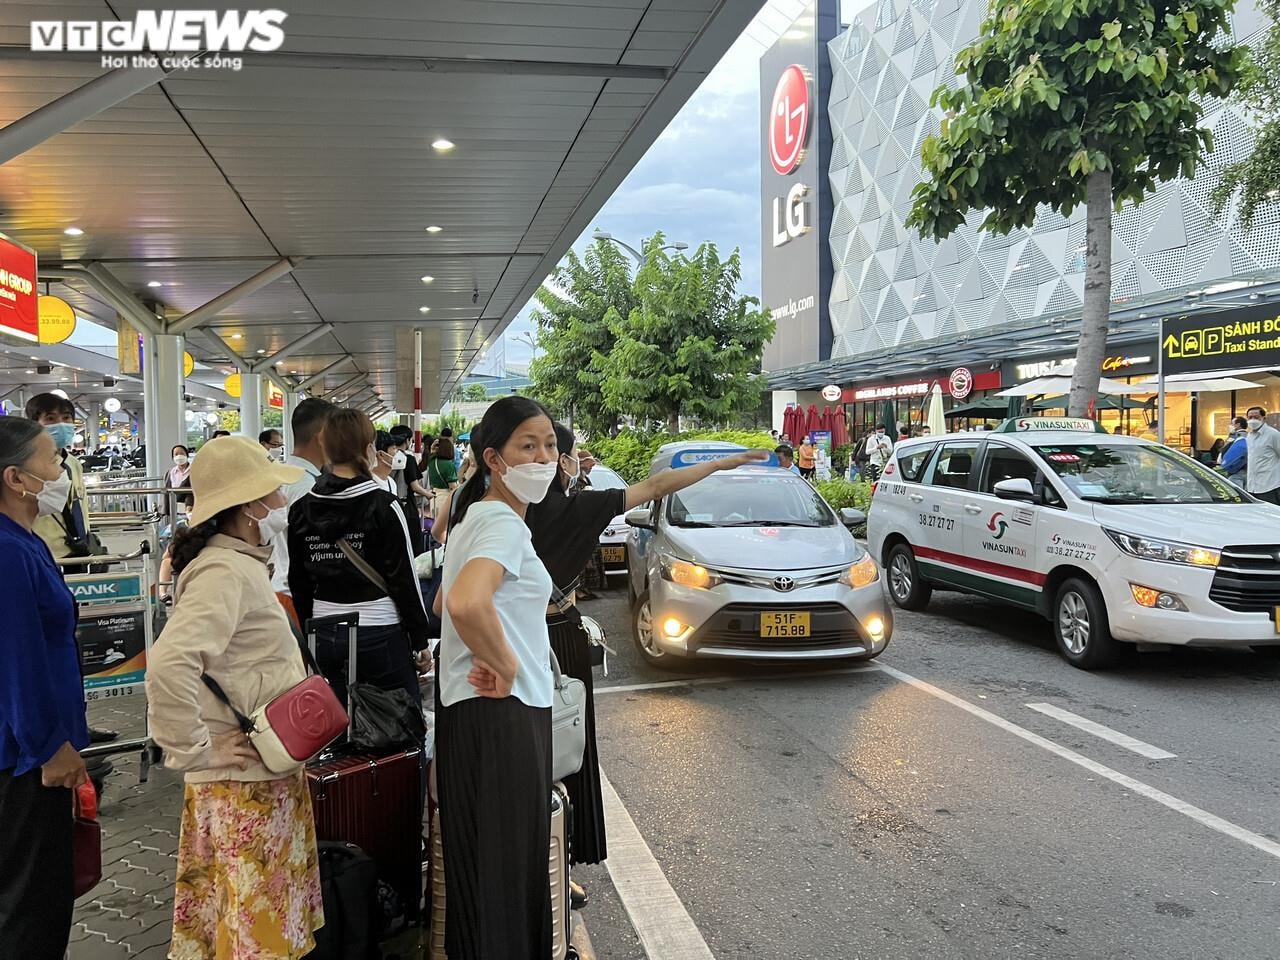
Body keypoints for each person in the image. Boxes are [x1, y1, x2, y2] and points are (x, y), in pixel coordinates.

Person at [516, 424, 768, 911]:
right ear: (564, 464)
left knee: (520, 759)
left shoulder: (499, 507)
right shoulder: (581, 507)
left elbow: (443, 535)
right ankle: (555, 871)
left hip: (510, 640)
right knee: (565, 757)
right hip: (558, 640)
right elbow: (655, 488)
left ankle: (521, 868)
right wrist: (717, 465)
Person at [145, 436, 323, 959]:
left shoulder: (239, 563)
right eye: (272, 492)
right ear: (248, 506)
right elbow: (170, 664)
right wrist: (195, 748)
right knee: (256, 925)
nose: (281, 504)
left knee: (248, 917)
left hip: (260, 774)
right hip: (242, 783)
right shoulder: (224, 571)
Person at [435, 397, 560, 958]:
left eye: (550, 444)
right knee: (508, 875)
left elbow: (441, 596)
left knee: (482, 875)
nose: (544, 457)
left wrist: (490, 648)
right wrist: (506, 666)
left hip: (472, 717)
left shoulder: (473, 518)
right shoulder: (501, 522)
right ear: (494, 458)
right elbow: (463, 601)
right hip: (502, 718)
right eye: (527, 446)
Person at [0, 417, 90, 960]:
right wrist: (50, 748)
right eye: (51, 462)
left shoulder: (24, 541)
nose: (61, 473)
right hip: (26, 763)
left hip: (33, 752)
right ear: (16, 478)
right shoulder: (7, 552)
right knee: (31, 907)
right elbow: (17, 661)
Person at [288, 409, 429, 720]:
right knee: (400, 727)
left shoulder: (300, 510)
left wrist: (312, 635)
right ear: (368, 449)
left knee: (338, 728)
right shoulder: (385, 508)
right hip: (379, 633)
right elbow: (404, 579)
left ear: (325, 449)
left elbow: (298, 580)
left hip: (324, 633)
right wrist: (420, 642)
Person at [26, 394, 117, 746]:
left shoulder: (73, 464)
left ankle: (76, 722)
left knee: (71, 647)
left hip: (74, 563)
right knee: (43, 651)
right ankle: (51, 734)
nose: (61, 425)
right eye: (51, 418)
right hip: (43, 563)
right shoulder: (25, 466)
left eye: (66, 417)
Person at [269, 397, 333, 628]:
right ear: (322, 436)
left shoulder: (283, 475)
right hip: (299, 599)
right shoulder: (308, 486)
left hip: (282, 590)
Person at [1245, 406, 1280, 503]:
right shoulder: (1249, 436)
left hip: (1270, 485)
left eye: (1256, 417)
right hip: (1252, 486)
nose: (1252, 420)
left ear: (1264, 418)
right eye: (1250, 417)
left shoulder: (1273, 434)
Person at [427, 436, 459, 514]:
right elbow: (453, 487)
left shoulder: (432, 460)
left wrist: (432, 448)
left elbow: (431, 453)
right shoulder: (448, 464)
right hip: (445, 498)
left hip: (434, 497)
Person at [165, 444, 194, 518]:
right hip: (174, 509)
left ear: (186, 455)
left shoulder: (194, 470)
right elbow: (167, 491)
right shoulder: (170, 472)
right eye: (176, 454)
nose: (179, 456)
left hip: (191, 509)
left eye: (182, 453)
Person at [1221, 416, 1249, 489]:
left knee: (1236, 493)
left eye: (1231, 423)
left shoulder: (1235, 437)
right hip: (1247, 470)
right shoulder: (1250, 436)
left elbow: (1225, 449)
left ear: (1238, 425)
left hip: (1235, 470)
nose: (1230, 426)